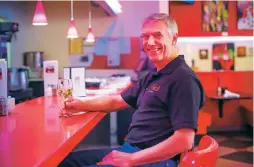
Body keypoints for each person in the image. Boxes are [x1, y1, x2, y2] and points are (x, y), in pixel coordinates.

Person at [59, 13, 205, 167]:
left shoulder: (183, 78)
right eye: (145, 36)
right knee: (63, 161)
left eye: (157, 35)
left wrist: (130, 160)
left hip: (154, 160)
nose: (150, 42)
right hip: (132, 151)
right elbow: (117, 101)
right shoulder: (154, 75)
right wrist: (78, 105)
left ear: (174, 38)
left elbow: (184, 140)